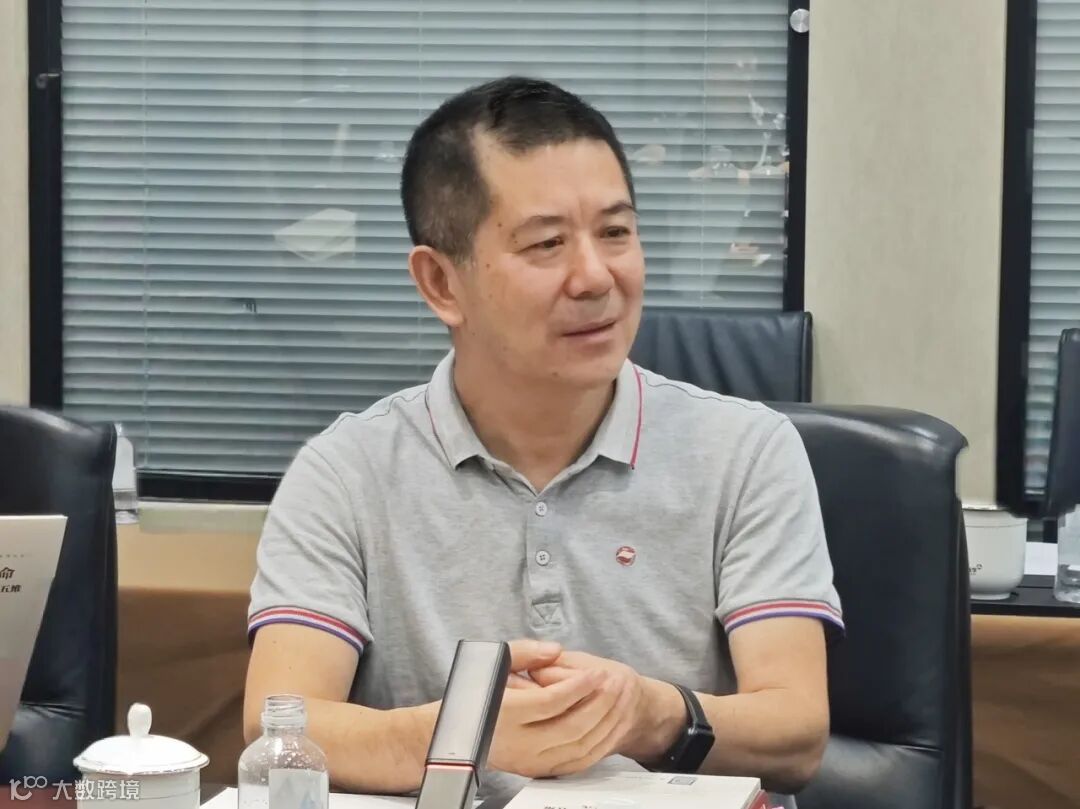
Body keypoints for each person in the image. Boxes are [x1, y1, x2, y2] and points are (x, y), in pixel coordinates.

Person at [244, 76, 842, 805]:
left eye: (616, 233)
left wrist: (652, 713)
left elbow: (797, 730)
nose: (595, 277)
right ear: (441, 284)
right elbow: (279, 727)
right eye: (547, 243)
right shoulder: (345, 473)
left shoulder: (747, 452)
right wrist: (468, 736)